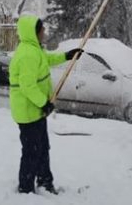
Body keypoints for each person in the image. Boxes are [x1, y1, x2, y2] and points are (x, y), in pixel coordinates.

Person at [8, 15, 82, 194]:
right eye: (42, 30)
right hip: (28, 112)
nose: (44, 32)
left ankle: (45, 182)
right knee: (32, 152)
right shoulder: (27, 54)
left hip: (35, 111)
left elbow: (47, 59)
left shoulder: (34, 50)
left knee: (41, 148)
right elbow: (28, 86)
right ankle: (25, 189)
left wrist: (66, 55)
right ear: (34, 32)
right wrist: (44, 103)